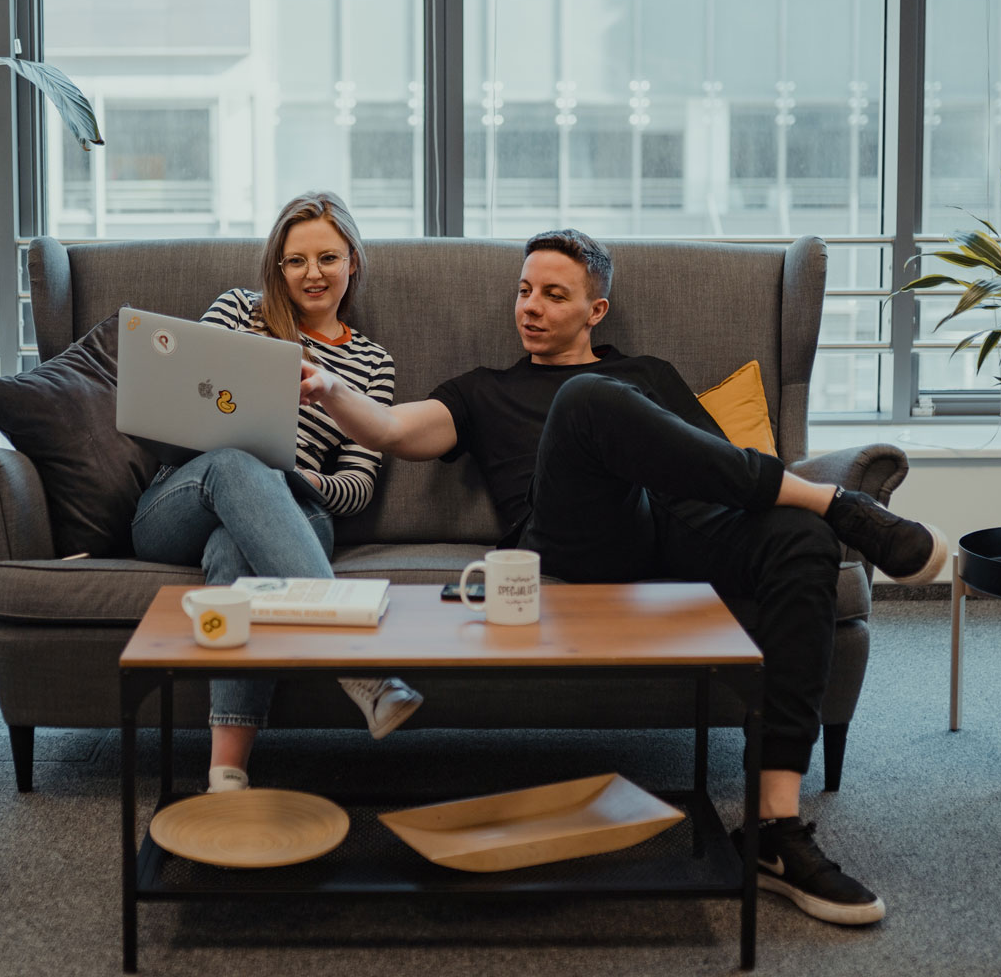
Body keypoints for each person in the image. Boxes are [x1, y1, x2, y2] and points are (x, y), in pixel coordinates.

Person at [298, 228, 947, 926]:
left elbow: (719, 470)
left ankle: (774, 829)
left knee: (800, 537)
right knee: (587, 400)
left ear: (595, 311)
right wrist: (330, 387)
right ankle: (841, 505)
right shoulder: (484, 392)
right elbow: (393, 431)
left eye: (554, 294)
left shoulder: (650, 374)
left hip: (681, 530)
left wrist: (775, 510)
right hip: (578, 543)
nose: (531, 307)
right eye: (524, 291)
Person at [132, 192, 420, 794]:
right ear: (277, 266)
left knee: (238, 555)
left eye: (327, 258)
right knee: (239, 462)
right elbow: (185, 405)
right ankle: (359, 667)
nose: (312, 274)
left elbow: (358, 485)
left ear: (353, 263)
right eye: (295, 261)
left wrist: (303, 479)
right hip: (186, 494)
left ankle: (225, 777)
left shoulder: (371, 363)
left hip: (294, 510)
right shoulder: (239, 311)